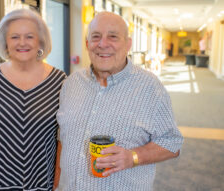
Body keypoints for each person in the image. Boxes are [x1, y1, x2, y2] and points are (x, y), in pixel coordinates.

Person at [55, 12, 183, 190]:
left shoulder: (150, 88)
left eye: (113, 37)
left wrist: (133, 157)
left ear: (128, 44)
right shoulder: (71, 84)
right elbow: (63, 141)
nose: (103, 44)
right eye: (96, 37)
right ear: (87, 44)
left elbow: (172, 143)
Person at [0, 8, 66, 191]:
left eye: (29, 36)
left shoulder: (59, 81)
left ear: (41, 40)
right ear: (5, 42)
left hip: (41, 185)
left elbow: (67, 136)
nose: (22, 43)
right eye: (15, 37)